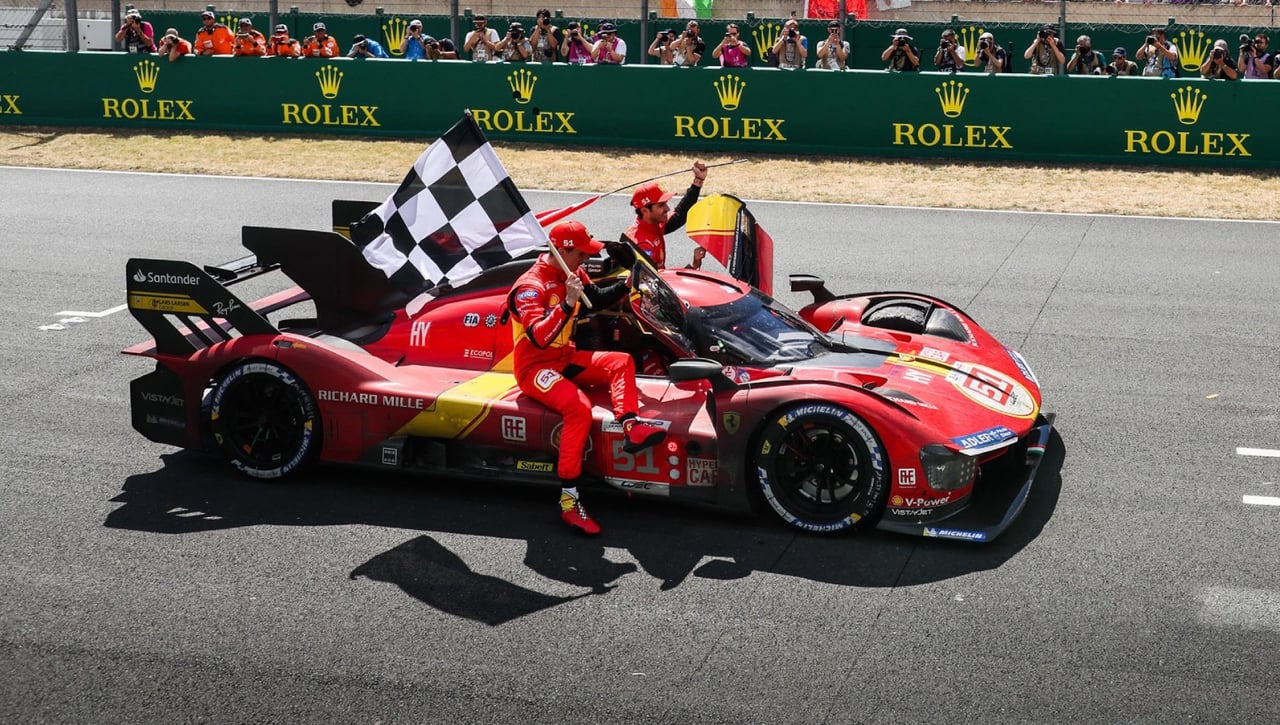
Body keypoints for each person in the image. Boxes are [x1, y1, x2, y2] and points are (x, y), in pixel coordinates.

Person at [507, 221, 666, 535]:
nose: (585, 259)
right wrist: (567, 303)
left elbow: (594, 297)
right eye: (581, 253)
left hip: (565, 358)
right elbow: (538, 337)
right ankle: (569, 502)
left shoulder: (571, 272)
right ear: (563, 250)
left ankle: (631, 427)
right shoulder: (530, 287)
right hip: (535, 369)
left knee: (621, 361)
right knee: (578, 409)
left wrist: (627, 282)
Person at [621, 162, 708, 270]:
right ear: (645, 211)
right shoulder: (642, 245)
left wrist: (698, 180)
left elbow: (680, 215)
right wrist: (691, 267)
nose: (667, 208)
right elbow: (657, 284)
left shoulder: (653, 224)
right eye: (661, 205)